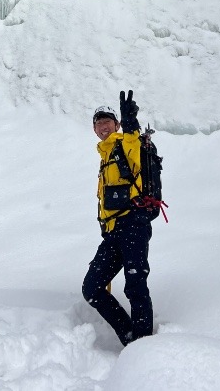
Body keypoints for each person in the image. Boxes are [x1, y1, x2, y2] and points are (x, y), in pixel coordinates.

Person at [82, 90, 154, 346]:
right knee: (92, 289)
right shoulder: (104, 158)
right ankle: (130, 338)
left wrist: (131, 123)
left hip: (134, 224)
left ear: (117, 124)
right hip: (113, 233)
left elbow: (133, 141)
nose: (103, 126)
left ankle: (145, 346)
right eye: (98, 123)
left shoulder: (126, 144)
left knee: (135, 285)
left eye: (107, 121)